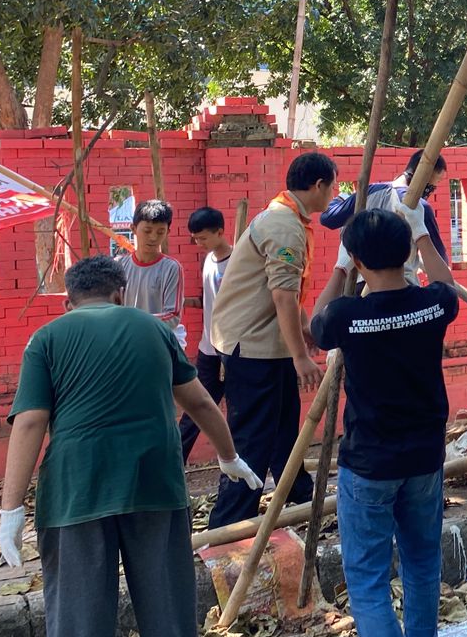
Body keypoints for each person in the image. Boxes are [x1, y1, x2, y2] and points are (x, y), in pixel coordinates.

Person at [0, 256, 261, 637]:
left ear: (69, 302)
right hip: (154, 486)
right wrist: (229, 457)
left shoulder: (46, 338)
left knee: (79, 627)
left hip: (76, 494)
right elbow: (202, 402)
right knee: (169, 617)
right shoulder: (155, 330)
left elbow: (31, 421)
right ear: (120, 294)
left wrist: (10, 509)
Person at [310, 208, 458, 637]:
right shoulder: (433, 305)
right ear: (407, 251)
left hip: (370, 463)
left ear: (357, 260)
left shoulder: (348, 315)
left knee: (368, 580)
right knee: (421, 565)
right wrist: (423, 237)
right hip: (424, 459)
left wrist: (339, 268)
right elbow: (446, 284)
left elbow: (315, 325)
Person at [206, 151, 338, 528]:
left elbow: (286, 295)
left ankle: (297, 495)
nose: (332, 196)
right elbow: (281, 295)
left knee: (283, 430)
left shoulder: (286, 218)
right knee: (252, 439)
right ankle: (228, 526)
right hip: (253, 348)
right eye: (332, 187)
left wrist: (306, 330)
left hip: (264, 344)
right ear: (318, 186)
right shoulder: (284, 226)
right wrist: (300, 356)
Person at [321, 149, 450, 280]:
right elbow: (441, 261)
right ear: (424, 176)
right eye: (437, 181)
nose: (434, 188)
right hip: (403, 287)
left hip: (362, 287)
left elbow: (328, 218)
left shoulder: (369, 193)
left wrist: (341, 198)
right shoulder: (420, 207)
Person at [178, 206, 232, 462]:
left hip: (232, 350)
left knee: (237, 411)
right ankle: (175, 459)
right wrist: (185, 302)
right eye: (195, 238)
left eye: (203, 238)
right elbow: (208, 299)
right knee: (195, 410)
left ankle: (234, 462)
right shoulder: (208, 260)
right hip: (208, 349)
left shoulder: (236, 264)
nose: (199, 243)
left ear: (220, 232)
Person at [116, 199, 183, 333]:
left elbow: (173, 316)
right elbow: (111, 307)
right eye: (147, 231)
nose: (153, 237)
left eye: (160, 232)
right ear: (133, 229)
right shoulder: (119, 265)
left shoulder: (171, 268)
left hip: (156, 339)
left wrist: (133, 322)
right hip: (124, 338)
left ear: (167, 232)